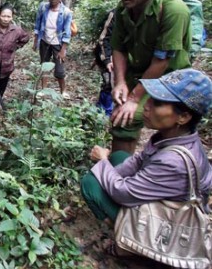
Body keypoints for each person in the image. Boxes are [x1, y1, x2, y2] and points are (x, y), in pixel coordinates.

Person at [81, 68, 212, 256]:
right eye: (149, 98)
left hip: (170, 221)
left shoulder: (173, 162)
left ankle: (131, 246)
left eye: (157, 103)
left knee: (91, 184)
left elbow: (123, 193)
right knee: (119, 157)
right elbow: (137, 161)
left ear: (183, 117)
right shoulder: (174, 136)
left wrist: (102, 162)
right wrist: (109, 170)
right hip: (161, 200)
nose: (147, 106)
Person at [110, 0, 191, 154]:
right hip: (138, 72)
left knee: (148, 118)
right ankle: (119, 173)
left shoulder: (173, 10)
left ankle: (169, 169)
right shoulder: (123, 10)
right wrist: (119, 82)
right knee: (121, 117)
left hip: (170, 79)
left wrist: (135, 99)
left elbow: (161, 61)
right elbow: (118, 47)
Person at [33, 0, 73, 98]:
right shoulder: (43, 7)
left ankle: (63, 91)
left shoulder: (66, 12)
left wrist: (63, 50)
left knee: (59, 70)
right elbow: (38, 24)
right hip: (45, 42)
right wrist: (36, 41)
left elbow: (67, 32)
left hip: (58, 44)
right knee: (44, 65)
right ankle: (43, 90)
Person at [93, 9, 115, 115]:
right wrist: (107, 60)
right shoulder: (115, 14)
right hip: (108, 56)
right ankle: (102, 114)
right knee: (109, 84)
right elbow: (104, 38)